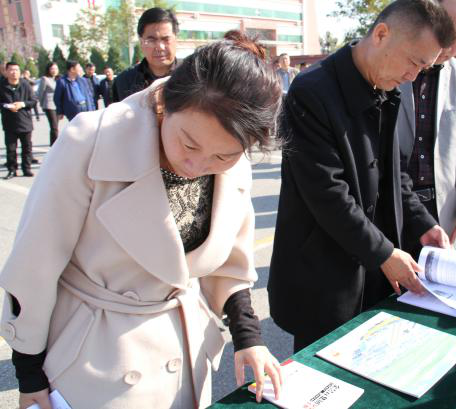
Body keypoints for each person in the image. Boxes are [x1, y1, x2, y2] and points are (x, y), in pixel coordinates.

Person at [0, 31, 283, 409]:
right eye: (188, 144)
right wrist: (29, 375)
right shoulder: (92, 141)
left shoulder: (233, 156)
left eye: (222, 157)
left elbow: (231, 259)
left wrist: (249, 337)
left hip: (183, 352)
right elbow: (34, 265)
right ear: (165, 103)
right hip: (95, 360)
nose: (196, 165)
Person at [268, 0, 455, 353]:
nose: (413, 76)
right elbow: (327, 193)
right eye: (414, 62)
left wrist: (422, 222)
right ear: (381, 34)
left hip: (376, 269)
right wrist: (384, 253)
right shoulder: (312, 92)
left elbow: (396, 174)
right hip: (325, 277)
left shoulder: (390, 86)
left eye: (424, 68)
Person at [397, 0, 456, 256]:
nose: (448, 45)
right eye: (443, 31)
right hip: (392, 204)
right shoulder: (390, 67)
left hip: (442, 209)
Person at [112, 8, 179, 102]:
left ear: (176, 39)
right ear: (141, 42)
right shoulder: (124, 82)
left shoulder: (193, 77)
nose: (160, 47)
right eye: (151, 40)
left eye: (166, 39)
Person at [0, 62, 36, 179]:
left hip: (25, 121)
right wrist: (7, 106)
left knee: (27, 147)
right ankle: (12, 170)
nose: (14, 72)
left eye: (16, 70)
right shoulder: (2, 85)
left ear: (19, 72)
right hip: (9, 122)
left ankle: (27, 168)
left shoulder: (25, 85)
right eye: (11, 70)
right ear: (6, 72)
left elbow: (33, 101)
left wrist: (22, 104)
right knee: (11, 149)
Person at [37, 62, 60, 146]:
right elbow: (40, 93)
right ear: (48, 70)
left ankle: (53, 144)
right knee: (54, 126)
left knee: (55, 126)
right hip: (49, 105)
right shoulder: (45, 79)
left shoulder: (58, 79)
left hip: (57, 105)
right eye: (52, 69)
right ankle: (55, 145)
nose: (54, 70)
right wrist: (41, 104)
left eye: (56, 69)